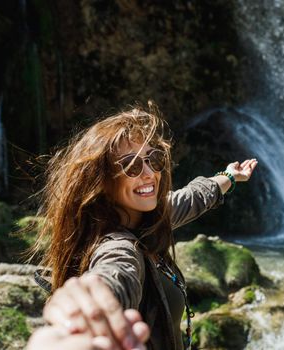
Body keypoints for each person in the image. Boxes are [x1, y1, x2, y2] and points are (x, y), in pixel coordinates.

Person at [25, 105, 258, 350]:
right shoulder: (117, 244)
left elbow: (193, 197)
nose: (148, 173)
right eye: (132, 165)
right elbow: (115, 273)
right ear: (102, 181)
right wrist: (92, 310)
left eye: (153, 159)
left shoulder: (149, 217)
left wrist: (230, 176)